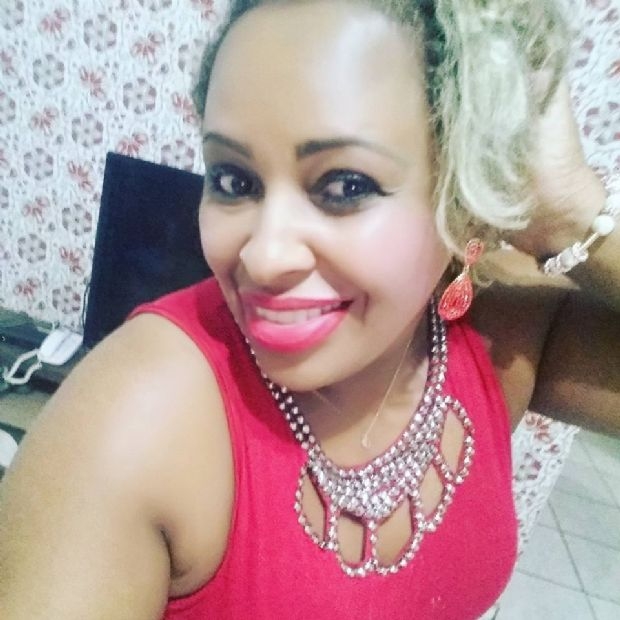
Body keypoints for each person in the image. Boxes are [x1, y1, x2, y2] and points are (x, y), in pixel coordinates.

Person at [1, 0, 619, 618]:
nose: (265, 257)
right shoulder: (134, 419)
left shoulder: (501, 334)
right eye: (234, 181)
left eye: (345, 186)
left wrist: (571, 211)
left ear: (459, 195)